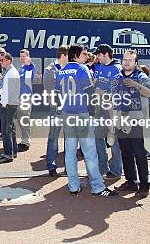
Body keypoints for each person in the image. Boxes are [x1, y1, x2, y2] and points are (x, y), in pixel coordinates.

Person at [57, 44, 117, 197]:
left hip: (67, 114)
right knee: (90, 152)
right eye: (83, 54)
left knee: (69, 152)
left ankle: (73, 186)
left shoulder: (61, 71)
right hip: (82, 114)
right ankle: (97, 186)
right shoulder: (82, 69)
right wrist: (93, 113)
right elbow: (90, 93)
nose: (86, 56)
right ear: (75, 56)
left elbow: (57, 96)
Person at [115, 49, 150, 197]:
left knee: (139, 153)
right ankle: (131, 181)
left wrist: (134, 84)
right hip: (121, 120)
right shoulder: (117, 77)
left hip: (137, 121)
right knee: (125, 153)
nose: (126, 62)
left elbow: (148, 93)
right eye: (125, 59)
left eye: (130, 60)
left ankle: (144, 184)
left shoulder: (142, 77)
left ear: (136, 63)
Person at [93, 44, 123, 179]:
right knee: (98, 137)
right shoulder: (100, 67)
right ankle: (102, 167)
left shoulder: (117, 69)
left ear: (105, 54)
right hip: (100, 110)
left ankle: (116, 170)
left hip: (113, 111)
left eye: (99, 55)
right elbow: (98, 86)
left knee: (114, 141)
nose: (97, 57)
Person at [45, 45, 69, 176]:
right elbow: (48, 92)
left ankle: (68, 167)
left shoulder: (71, 69)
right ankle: (51, 166)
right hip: (56, 109)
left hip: (70, 109)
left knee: (69, 139)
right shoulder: (50, 70)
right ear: (64, 56)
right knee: (53, 138)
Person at [0, 52, 20, 164]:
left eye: (3, 60)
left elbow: (8, 92)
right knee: (11, 129)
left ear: (8, 61)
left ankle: (8, 154)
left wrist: (3, 103)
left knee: (6, 130)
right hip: (11, 103)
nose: (1, 62)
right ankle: (13, 151)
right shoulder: (11, 72)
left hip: (8, 105)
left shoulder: (11, 73)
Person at [17, 49, 35, 152]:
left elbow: (30, 66)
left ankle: (26, 142)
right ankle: (24, 139)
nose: (23, 58)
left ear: (28, 57)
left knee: (24, 119)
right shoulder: (21, 69)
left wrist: (29, 63)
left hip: (26, 98)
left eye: (24, 56)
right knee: (20, 119)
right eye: (21, 56)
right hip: (19, 98)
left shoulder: (29, 67)